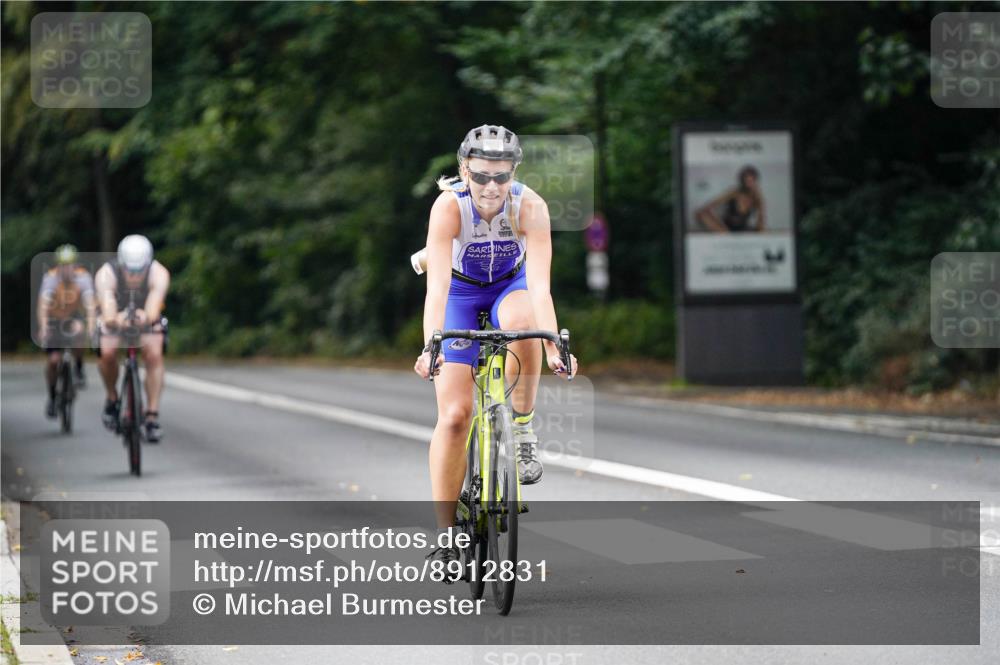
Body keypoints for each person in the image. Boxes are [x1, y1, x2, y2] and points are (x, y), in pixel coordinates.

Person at [413, 125, 578, 569]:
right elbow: (437, 291)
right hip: (460, 296)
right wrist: (433, 346)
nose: (491, 187)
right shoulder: (449, 207)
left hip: (512, 287)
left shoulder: (532, 207)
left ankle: (521, 428)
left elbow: (541, 288)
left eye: (501, 177)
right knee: (453, 417)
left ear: (513, 174)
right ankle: (447, 537)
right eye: (482, 176)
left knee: (526, 326)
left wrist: (553, 348)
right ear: (464, 169)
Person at [95, 235, 171, 443]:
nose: (134, 275)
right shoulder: (106, 274)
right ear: (121, 263)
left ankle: (152, 415)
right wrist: (115, 319)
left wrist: (144, 317)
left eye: (139, 271)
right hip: (116, 316)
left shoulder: (159, 273)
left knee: (154, 354)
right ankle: (112, 397)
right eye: (129, 270)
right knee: (107, 352)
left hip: (144, 316)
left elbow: (154, 307)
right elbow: (108, 306)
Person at [37, 244, 97, 418]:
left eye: (70, 265)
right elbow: (43, 306)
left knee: (79, 330)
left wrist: (91, 328)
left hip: (73, 316)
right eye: (63, 265)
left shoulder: (83, 278)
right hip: (55, 319)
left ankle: (78, 368)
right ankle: (52, 396)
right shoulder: (50, 279)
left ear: (75, 265)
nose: (66, 269)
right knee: (54, 361)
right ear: (58, 266)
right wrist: (44, 326)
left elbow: (90, 306)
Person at [694, 165, 767, 233]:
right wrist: (705, 212)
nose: (749, 184)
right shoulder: (734, 192)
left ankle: (731, 237)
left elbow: (761, 222)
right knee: (701, 214)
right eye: (747, 181)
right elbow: (715, 202)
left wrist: (760, 200)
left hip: (743, 229)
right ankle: (726, 235)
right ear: (742, 181)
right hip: (725, 228)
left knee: (761, 230)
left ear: (755, 181)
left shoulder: (757, 197)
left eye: (751, 181)